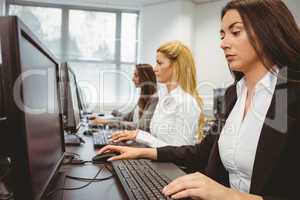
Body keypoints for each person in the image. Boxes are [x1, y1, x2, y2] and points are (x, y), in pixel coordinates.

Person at [97, 0, 300, 199]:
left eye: (235, 32)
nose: (223, 43)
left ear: (269, 31)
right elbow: (201, 152)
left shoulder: (292, 95)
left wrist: (229, 196)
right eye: (222, 35)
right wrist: (142, 153)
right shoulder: (232, 94)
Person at [109, 41, 205, 147]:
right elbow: (155, 139)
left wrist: (138, 136)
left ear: (176, 66)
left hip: (173, 163)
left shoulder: (187, 102)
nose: (154, 69)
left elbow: (179, 152)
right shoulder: (163, 96)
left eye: (159, 63)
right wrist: (132, 140)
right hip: (158, 161)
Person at [92, 64, 158, 132]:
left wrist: (107, 122)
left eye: (136, 75)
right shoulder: (142, 98)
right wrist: (109, 116)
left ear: (145, 78)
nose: (132, 79)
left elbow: (141, 127)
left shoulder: (154, 99)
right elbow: (126, 118)